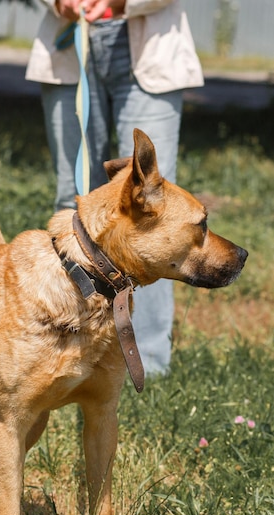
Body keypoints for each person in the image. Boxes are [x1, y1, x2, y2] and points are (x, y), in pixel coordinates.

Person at [26, 0, 203, 375]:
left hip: (151, 40)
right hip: (68, 40)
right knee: (71, 199)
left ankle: (148, 364)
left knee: (154, 215)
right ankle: (56, 349)